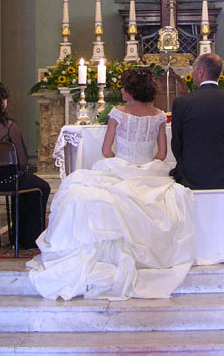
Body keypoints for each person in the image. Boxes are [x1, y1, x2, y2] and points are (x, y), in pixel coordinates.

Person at [27, 69, 196, 300]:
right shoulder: (158, 115)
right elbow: (162, 153)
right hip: (148, 172)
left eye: (123, 87)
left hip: (120, 168)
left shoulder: (118, 113)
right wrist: (142, 167)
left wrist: (122, 164)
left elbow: (107, 151)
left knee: (77, 190)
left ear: (128, 91)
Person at [0, 82, 50, 250]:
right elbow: (21, 161)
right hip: (9, 180)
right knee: (42, 186)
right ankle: (27, 236)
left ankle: (18, 234)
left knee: (24, 182)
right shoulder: (9, 127)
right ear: (2, 102)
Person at [170, 53, 224, 189]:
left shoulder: (182, 103)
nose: (191, 73)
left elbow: (177, 143)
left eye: (193, 69)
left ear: (201, 72)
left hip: (191, 177)